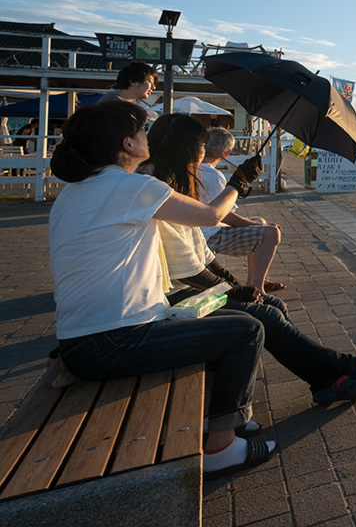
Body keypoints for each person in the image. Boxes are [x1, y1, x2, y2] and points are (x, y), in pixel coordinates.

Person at [47, 100, 274, 474]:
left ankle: (226, 417)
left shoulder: (74, 192)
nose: (146, 135)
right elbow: (212, 216)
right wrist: (240, 181)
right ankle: (221, 449)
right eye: (141, 130)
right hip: (115, 340)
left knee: (221, 321)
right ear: (127, 145)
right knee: (246, 331)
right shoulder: (131, 187)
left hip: (79, 342)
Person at [146, 113, 356, 404]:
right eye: (198, 153)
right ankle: (340, 368)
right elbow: (191, 258)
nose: (200, 161)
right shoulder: (153, 186)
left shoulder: (167, 182)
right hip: (168, 299)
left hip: (176, 291)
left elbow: (200, 252)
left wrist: (237, 285)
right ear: (185, 151)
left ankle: (326, 380)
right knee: (263, 314)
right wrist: (236, 290)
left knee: (271, 305)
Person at [196, 127, 285, 293]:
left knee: (260, 222)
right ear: (227, 154)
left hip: (202, 228)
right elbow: (224, 215)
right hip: (210, 234)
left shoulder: (195, 168)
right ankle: (257, 290)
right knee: (270, 233)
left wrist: (256, 224)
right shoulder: (212, 175)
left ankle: (256, 280)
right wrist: (257, 227)